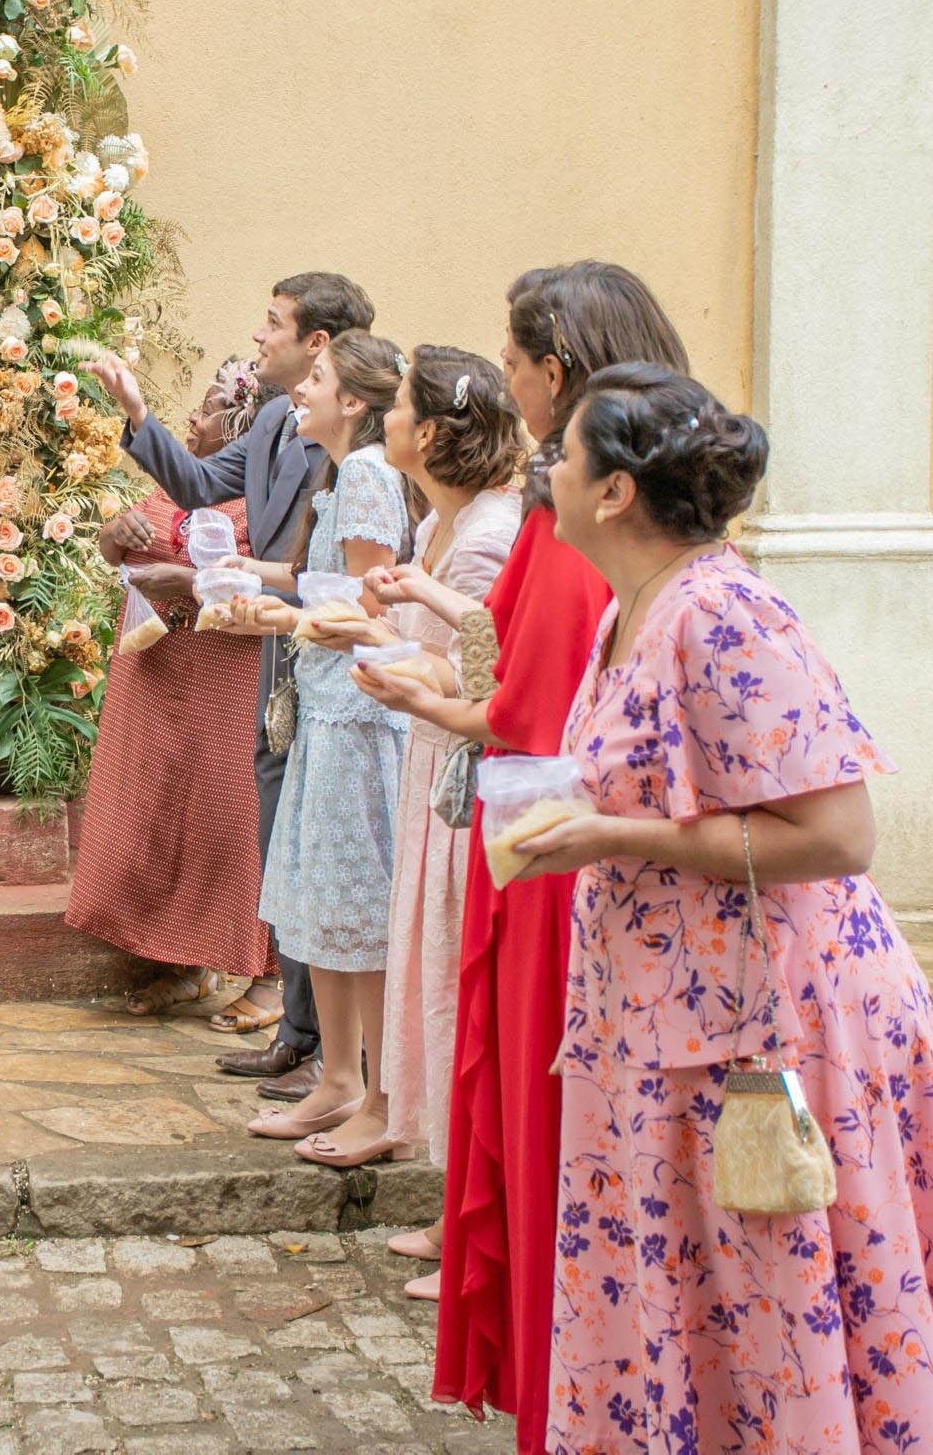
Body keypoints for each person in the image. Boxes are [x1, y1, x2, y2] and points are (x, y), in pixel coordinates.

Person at [518, 364, 933, 1450]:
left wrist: (614, 837)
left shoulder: (722, 610)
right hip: (667, 1028)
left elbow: (838, 835)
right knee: (693, 1316)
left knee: (772, 1313)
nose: (542, 467)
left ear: (614, 494)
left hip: (768, 1030)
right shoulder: (630, 607)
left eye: (562, 452)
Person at [359, 261, 688, 1453]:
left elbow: (539, 715)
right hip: (554, 837)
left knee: (568, 1157)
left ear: (553, 375)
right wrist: (446, 701)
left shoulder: (580, 520)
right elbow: (522, 695)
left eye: (511, 365)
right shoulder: (592, 515)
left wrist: (453, 706)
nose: (507, 391)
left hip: (566, 870)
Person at [94, 271, 374, 1102]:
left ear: (317, 344)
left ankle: (332, 1050)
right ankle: (296, 1035)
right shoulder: (278, 431)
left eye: (274, 322)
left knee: (309, 842)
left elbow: (349, 575)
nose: (260, 336)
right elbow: (197, 487)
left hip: (321, 656)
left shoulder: (365, 450)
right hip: (272, 658)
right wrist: (138, 416)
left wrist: (262, 583)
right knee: (277, 839)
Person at [331, 348, 524, 1289]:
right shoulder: (445, 525)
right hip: (428, 764)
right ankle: (457, 1212)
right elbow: (426, 645)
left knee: (452, 988)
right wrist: (361, 630)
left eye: (398, 407)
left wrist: (385, 655)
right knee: (431, 982)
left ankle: (477, 1232)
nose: (385, 421)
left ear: (435, 434)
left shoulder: (486, 537)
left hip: (457, 778)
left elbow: (481, 675)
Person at [205, 332, 410, 1152]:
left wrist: (285, 620)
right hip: (329, 713)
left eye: (317, 378)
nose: (302, 389)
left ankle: (375, 1094)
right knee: (322, 909)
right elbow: (326, 581)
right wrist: (251, 577)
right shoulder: (341, 473)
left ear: (352, 402)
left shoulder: (364, 474)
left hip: (356, 719)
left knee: (354, 910)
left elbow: (374, 616)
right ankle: (339, 1081)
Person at [64, 362, 273, 1017]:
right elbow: (118, 548)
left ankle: (265, 974)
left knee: (228, 826)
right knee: (152, 822)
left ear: (238, 428)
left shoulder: (262, 506)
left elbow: (270, 584)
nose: (193, 419)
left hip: (223, 678)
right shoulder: (170, 485)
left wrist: (179, 583)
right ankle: (178, 964)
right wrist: (111, 537)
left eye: (207, 410)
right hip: (150, 676)